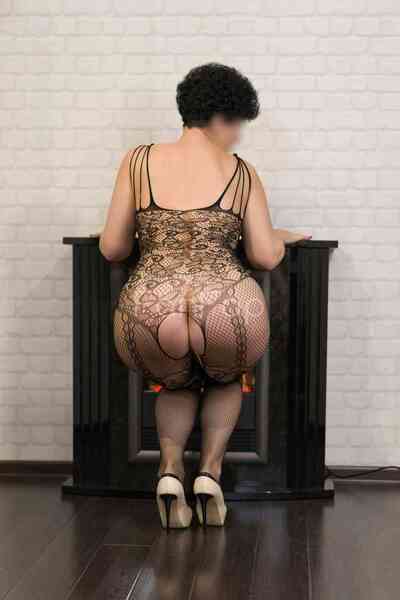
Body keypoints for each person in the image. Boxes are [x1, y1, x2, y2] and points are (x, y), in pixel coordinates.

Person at [99, 63, 311, 530]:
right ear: (222, 116)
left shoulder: (138, 160)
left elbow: (112, 248)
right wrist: (278, 236)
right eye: (237, 125)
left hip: (150, 307)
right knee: (225, 379)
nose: (237, 137)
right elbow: (264, 255)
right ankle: (209, 475)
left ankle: (169, 472)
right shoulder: (241, 172)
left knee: (175, 383)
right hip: (226, 303)